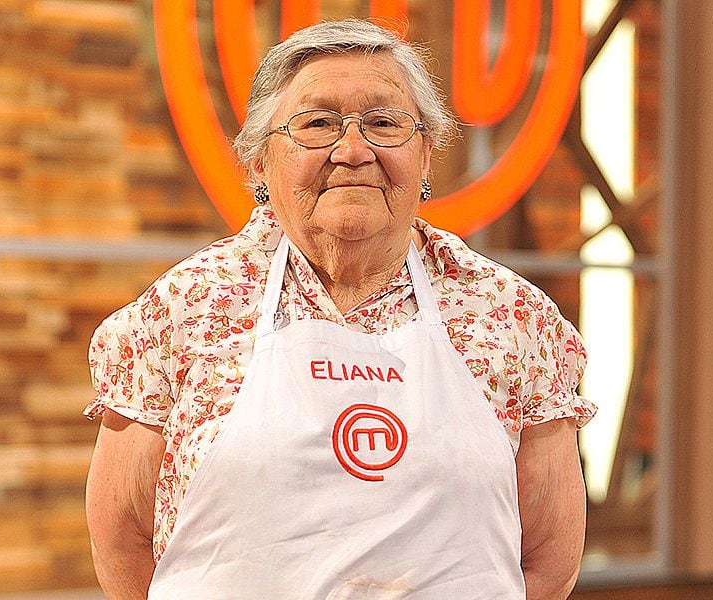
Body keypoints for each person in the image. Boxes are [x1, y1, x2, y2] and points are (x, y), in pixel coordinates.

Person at [85, 18, 596, 599]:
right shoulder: (179, 313)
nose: (353, 151)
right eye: (318, 124)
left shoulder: (515, 319)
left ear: (425, 156)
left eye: (384, 124)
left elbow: (549, 557)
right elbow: (124, 539)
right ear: (258, 161)